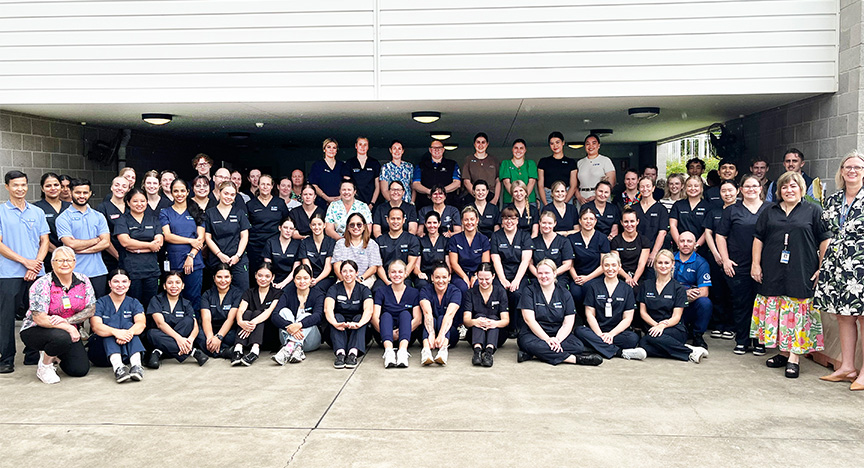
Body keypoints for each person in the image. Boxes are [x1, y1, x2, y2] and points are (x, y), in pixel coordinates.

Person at [752, 171, 830, 378]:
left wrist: (822, 267)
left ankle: (794, 357)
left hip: (802, 268)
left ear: (801, 189)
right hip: (773, 268)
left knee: (798, 312)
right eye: (785, 187)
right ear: (779, 191)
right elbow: (758, 238)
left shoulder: (813, 210)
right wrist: (755, 264)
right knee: (777, 310)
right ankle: (783, 352)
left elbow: (824, 240)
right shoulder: (770, 211)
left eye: (793, 186)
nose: (789, 190)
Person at [814, 151, 864, 390]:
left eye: (857, 167)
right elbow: (827, 231)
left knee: (863, 318)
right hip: (838, 266)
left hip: (861, 266)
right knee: (844, 316)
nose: (852, 171)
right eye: (848, 167)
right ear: (841, 171)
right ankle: (847, 367)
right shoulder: (833, 199)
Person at [19, 246, 93, 383]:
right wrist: (68, 327)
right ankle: (45, 365)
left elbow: (90, 309)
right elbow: (39, 318)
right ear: (52, 263)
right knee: (61, 337)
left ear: (74, 262)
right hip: (37, 329)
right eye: (60, 260)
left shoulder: (83, 280)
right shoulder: (42, 283)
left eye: (69, 260)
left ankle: (54, 354)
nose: (65, 264)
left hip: (65, 329)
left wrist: (67, 321)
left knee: (79, 369)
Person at [1, 171, 50, 372]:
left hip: (37, 272)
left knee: (36, 314)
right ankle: (6, 358)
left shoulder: (36, 212)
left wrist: (36, 264)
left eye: (23, 185)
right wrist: (25, 262)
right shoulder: (1, 211)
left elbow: (44, 240)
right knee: (6, 317)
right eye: (15, 185)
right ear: (7, 187)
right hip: (9, 273)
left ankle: (31, 354)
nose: (20, 188)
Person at [715, 175, 768, 354]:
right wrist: (725, 260)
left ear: (760, 188)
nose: (751, 189)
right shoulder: (732, 210)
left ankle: (760, 341)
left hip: (765, 265)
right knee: (741, 303)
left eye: (755, 186)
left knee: (761, 303)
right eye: (747, 186)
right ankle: (742, 340)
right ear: (741, 190)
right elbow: (720, 235)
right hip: (739, 264)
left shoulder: (771, 209)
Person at [516, 259, 602, 366]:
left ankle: (533, 354)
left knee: (577, 346)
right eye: (540, 273)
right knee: (529, 344)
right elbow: (529, 320)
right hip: (533, 334)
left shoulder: (565, 293)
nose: (543, 276)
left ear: (555, 273)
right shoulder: (529, 291)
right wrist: (547, 339)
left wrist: (557, 340)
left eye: (547, 273)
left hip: (557, 333)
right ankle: (575, 359)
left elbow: (568, 323)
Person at [636, 249, 709, 363]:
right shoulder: (646, 285)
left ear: (672, 264)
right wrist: (656, 325)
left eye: (666, 263)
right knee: (643, 344)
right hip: (652, 327)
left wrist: (662, 326)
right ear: (655, 265)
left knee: (649, 340)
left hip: (673, 329)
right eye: (660, 263)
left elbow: (677, 316)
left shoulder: (678, 288)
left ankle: (689, 352)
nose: (663, 266)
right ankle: (689, 350)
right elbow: (643, 312)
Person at [574, 253, 644, 360]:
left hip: (617, 332)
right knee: (579, 331)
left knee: (633, 338)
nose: (610, 269)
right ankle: (620, 352)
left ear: (619, 267)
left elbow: (628, 318)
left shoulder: (627, 289)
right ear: (602, 267)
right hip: (597, 330)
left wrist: (611, 334)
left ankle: (595, 347)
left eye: (613, 265)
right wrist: (600, 334)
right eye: (606, 265)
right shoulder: (593, 287)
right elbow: (590, 314)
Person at [89, 269, 147, 383]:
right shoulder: (100, 303)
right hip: (102, 353)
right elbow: (96, 326)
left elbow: (141, 324)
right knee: (109, 327)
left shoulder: (134, 303)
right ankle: (118, 368)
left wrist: (127, 333)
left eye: (124, 281)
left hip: (126, 352)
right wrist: (116, 332)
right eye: (116, 282)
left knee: (130, 326)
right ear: (109, 283)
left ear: (129, 283)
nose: (120, 285)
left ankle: (136, 366)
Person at [56, 178, 110, 297]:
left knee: (97, 310)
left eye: (85, 193)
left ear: (90, 193)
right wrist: (96, 240)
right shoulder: (63, 218)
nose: (82, 196)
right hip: (73, 272)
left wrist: (82, 250)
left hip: (98, 272)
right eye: (78, 192)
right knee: (76, 310)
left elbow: (106, 243)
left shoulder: (99, 216)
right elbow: (71, 244)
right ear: (70, 193)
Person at [144, 270, 209, 369]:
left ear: (183, 286)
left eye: (178, 283)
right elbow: (160, 323)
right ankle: (192, 352)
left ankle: (160, 351)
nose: (174, 286)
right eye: (170, 283)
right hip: (160, 336)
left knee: (189, 321)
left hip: (168, 340)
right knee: (152, 333)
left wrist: (190, 340)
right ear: (164, 286)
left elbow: (195, 325)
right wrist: (180, 340)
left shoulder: (186, 303)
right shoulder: (156, 300)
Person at [160, 179, 205, 310]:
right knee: (173, 296)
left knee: (193, 296)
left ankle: (193, 325)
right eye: (175, 191)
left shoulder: (196, 211)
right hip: (174, 260)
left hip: (194, 261)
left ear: (187, 192)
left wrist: (191, 256)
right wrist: (190, 240)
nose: (179, 194)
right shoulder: (165, 212)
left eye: (182, 191)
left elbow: (200, 238)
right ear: (171, 193)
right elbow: (167, 236)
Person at [703, 179, 739, 341]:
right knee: (717, 292)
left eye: (730, 190)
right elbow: (708, 233)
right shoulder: (714, 211)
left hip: (736, 259)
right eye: (724, 191)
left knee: (733, 293)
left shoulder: (742, 210)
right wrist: (717, 254)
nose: (727, 194)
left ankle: (731, 326)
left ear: (737, 191)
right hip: (715, 258)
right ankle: (718, 325)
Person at [114, 188, 162, 308]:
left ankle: (150, 326)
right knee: (133, 302)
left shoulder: (153, 219)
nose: (139, 204)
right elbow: (125, 242)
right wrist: (149, 246)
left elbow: (159, 242)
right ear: (128, 202)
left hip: (151, 270)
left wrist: (138, 248)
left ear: (147, 202)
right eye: (135, 201)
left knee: (151, 303)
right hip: (132, 270)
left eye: (143, 201)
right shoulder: (122, 220)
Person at [271, 265, 324, 365]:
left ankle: (288, 348)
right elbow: (275, 315)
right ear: (294, 280)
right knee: (284, 311)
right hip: (287, 335)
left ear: (311, 279)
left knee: (307, 315)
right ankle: (296, 348)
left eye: (305, 278)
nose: (302, 281)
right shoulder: (287, 293)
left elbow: (318, 316)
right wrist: (288, 327)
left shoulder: (318, 294)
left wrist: (299, 325)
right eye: (298, 278)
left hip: (310, 341)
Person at [325, 260, 374, 369]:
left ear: (356, 273)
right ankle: (340, 354)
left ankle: (353, 354)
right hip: (338, 329)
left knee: (359, 317)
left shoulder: (363, 289)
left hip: (358, 330)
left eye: (351, 271)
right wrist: (335, 323)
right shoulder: (334, 289)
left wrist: (359, 324)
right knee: (337, 316)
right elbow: (328, 309)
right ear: (341, 273)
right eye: (344, 271)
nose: (348, 274)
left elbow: (369, 310)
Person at [231, 264, 282, 366]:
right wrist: (240, 322)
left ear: (273, 277)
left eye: (267, 276)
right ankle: (238, 349)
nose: (263, 279)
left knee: (258, 313)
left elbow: (269, 312)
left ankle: (255, 351)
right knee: (247, 313)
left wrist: (252, 323)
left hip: (268, 335)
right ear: (255, 275)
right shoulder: (249, 292)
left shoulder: (277, 292)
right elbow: (241, 309)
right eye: (260, 275)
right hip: (249, 333)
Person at [373, 260, 421, 368]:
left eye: (400, 272)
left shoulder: (413, 292)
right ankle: (389, 353)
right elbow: (374, 317)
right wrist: (388, 333)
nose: (397, 275)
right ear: (389, 274)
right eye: (393, 272)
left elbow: (418, 319)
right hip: (384, 336)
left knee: (405, 314)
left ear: (405, 274)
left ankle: (402, 353)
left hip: (406, 337)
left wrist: (401, 332)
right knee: (385, 315)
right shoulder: (381, 291)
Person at [204, 181, 250, 291]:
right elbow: (207, 237)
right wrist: (219, 255)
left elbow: (244, 236)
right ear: (219, 193)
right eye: (226, 193)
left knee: (242, 290)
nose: (228, 197)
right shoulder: (210, 213)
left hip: (237, 259)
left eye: (232, 194)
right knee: (215, 292)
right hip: (216, 258)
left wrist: (238, 256)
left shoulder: (239, 213)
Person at [490, 206, 534, 322]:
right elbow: (496, 259)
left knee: (517, 293)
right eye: (506, 218)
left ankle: (515, 325)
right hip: (501, 272)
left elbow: (526, 260)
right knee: (499, 292)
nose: (509, 222)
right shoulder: (496, 236)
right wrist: (503, 279)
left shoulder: (524, 236)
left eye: (512, 218)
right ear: (502, 221)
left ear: (517, 220)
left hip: (519, 273)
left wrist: (517, 280)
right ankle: (500, 325)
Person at [463, 262, 510, 367]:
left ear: (493, 276)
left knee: (493, 317)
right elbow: (466, 320)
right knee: (478, 317)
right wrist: (476, 322)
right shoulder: (470, 293)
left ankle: (489, 352)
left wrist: (493, 323)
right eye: (481, 279)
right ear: (476, 276)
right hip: (475, 334)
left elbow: (506, 320)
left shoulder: (500, 292)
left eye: (487, 279)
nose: (484, 282)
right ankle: (477, 351)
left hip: (497, 334)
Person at [672, 231, 712, 349]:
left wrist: (684, 297)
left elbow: (704, 292)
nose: (685, 244)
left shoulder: (701, 263)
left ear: (695, 244)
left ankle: (698, 335)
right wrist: (683, 294)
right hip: (672, 303)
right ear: (677, 243)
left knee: (705, 303)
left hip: (690, 304)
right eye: (682, 241)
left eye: (689, 241)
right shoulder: (669, 260)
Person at [418, 263, 462, 366]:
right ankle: (426, 351)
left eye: (444, 277)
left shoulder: (455, 291)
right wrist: (432, 334)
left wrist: (441, 334)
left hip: (449, 333)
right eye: (437, 277)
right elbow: (427, 313)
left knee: (442, 317)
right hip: (428, 332)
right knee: (432, 318)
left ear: (449, 278)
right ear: (432, 278)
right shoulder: (425, 290)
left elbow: (449, 315)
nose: (441, 281)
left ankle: (443, 350)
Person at [568, 207, 610, 310]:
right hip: (577, 277)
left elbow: (604, 264)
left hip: (596, 276)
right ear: (580, 221)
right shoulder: (571, 238)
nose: (588, 222)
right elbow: (569, 264)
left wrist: (587, 278)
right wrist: (576, 278)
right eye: (585, 218)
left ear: (595, 221)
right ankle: (582, 318)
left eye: (591, 219)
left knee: (589, 289)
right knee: (575, 293)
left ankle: (591, 319)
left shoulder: (602, 238)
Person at [247, 174, 290, 271]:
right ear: (258, 186)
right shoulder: (250, 204)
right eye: (262, 184)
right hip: (255, 246)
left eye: (268, 184)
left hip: (275, 245)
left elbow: (286, 221)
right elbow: (246, 225)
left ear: (272, 186)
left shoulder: (279, 203)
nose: (265, 187)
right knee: (256, 274)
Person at [448, 206, 491, 298]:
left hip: (478, 274)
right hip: (459, 274)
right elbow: (453, 262)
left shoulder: (483, 239)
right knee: (462, 287)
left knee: (477, 286)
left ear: (477, 221)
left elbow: (485, 263)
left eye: (472, 219)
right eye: (466, 220)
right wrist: (464, 277)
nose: (469, 222)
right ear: (462, 221)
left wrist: (476, 276)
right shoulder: (455, 239)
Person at [199, 264, 241, 358]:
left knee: (237, 335)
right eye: (219, 277)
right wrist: (210, 337)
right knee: (199, 334)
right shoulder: (207, 294)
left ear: (231, 278)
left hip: (228, 330)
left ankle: (212, 350)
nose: (223, 280)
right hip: (211, 329)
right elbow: (206, 319)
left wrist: (219, 337)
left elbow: (231, 319)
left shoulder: (237, 294)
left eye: (226, 277)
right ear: (214, 278)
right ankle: (223, 351)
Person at [332, 213, 381, 289]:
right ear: (347, 227)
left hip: (365, 278)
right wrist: (345, 280)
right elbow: (337, 266)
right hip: (344, 278)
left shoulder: (372, 244)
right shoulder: (340, 244)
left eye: (359, 225)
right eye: (352, 225)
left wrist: (360, 279)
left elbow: (373, 268)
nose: (355, 227)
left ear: (364, 226)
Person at [374, 206, 420, 289]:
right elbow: (378, 265)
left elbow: (412, 263)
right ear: (387, 220)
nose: (395, 221)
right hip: (385, 278)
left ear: (403, 220)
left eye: (398, 219)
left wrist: (401, 278)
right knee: (377, 289)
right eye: (392, 218)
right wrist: (387, 282)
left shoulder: (412, 239)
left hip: (404, 278)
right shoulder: (379, 240)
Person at [33, 172, 70, 272]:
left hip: (70, 257)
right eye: (48, 186)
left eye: (56, 185)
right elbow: (38, 236)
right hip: (48, 256)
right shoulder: (35, 208)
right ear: (42, 188)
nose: (53, 188)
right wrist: (57, 252)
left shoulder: (70, 206)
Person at [412, 140, 462, 209]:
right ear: (430, 150)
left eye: (439, 148)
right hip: (425, 205)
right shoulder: (421, 165)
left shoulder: (452, 164)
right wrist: (430, 192)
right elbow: (415, 184)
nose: (437, 150)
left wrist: (441, 192)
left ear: (443, 150)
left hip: (449, 205)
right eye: (434, 148)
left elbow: (457, 183)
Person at [633, 176, 669, 268]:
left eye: (648, 186)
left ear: (653, 188)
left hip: (653, 253)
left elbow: (662, 232)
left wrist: (653, 253)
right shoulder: (633, 209)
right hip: (635, 252)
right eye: (642, 186)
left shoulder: (661, 209)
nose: (645, 189)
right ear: (638, 188)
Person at [529, 211, 574, 285]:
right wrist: (540, 276)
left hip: (558, 278)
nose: (546, 226)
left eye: (550, 223)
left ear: (555, 224)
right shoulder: (533, 242)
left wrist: (551, 275)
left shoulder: (564, 241)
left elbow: (567, 264)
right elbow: (530, 264)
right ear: (539, 223)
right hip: (537, 278)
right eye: (544, 223)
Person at [96, 176, 130, 272]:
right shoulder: (102, 208)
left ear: (128, 189)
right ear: (111, 187)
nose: (120, 188)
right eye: (117, 185)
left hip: (131, 257)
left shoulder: (131, 207)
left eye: (124, 186)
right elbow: (102, 235)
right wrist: (117, 256)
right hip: (110, 256)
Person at [611, 208, 651, 289]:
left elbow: (641, 264)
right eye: (626, 222)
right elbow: (616, 264)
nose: (629, 224)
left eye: (632, 221)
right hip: (620, 276)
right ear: (621, 223)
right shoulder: (616, 241)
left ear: (637, 222)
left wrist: (634, 280)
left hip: (639, 277)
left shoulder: (644, 240)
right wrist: (627, 277)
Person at [669, 175, 709, 252]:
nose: (693, 188)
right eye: (689, 186)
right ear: (685, 188)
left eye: (696, 186)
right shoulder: (678, 205)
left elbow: (707, 230)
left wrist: (696, 245)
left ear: (701, 188)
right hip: (679, 249)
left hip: (700, 250)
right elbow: (673, 226)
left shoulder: (708, 206)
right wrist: (680, 244)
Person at [537, 131, 578, 206]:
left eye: (557, 142)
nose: (555, 146)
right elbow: (540, 185)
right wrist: (546, 204)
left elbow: (573, 185)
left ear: (563, 143)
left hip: (566, 195)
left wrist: (565, 203)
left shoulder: (571, 162)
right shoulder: (543, 161)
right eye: (552, 143)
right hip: (548, 195)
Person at [300, 212, 336, 293]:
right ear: (310, 226)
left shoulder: (330, 242)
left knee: (316, 289)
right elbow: (306, 265)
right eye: (313, 225)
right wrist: (310, 278)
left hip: (327, 277)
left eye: (319, 224)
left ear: (324, 225)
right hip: (310, 276)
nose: (316, 227)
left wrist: (316, 280)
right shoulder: (304, 242)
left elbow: (328, 267)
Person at [413, 211, 450, 291]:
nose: (432, 225)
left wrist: (446, 276)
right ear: (425, 224)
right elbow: (416, 265)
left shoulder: (445, 241)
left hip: (441, 275)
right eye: (429, 223)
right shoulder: (420, 241)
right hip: (425, 275)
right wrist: (419, 273)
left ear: (439, 224)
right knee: (421, 284)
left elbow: (448, 264)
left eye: (434, 223)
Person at [576, 133, 616, 206]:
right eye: (588, 144)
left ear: (599, 145)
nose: (591, 146)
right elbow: (574, 184)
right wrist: (579, 197)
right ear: (585, 146)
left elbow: (611, 183)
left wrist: (597, 197)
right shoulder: (580, 163)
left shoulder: (605, 160)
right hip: (583, 198)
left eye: (594, 143)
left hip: (601, 197)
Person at [262, 217, 301, 289]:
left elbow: (295, 269)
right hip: (272, 278)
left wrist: (283, 284)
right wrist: (271, 281)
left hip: (290, 279)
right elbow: (267, 266)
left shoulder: (298, 244)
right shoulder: (270, 242)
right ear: (280, 228)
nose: (288, 231)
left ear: (294, 230)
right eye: (285, 227)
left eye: (291, 228)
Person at [341, 136, 381, 208]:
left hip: (371, 203)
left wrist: (372, 204)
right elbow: (346, 185)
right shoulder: (350, 163)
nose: (363, 147)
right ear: (356, 146)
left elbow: (377, 186)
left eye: (365, 145)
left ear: (368, 147)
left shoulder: (374, 163)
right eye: (360, 144)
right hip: (354, 203)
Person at [462, 132, 501, 205]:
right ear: (474, 144)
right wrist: (477, 195)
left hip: (490, 195)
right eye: (478, 142)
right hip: (472, 196)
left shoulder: (494, 160)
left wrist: (495, 199)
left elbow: (498, 181)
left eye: (483, 142)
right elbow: (466, 181)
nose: (480, 145)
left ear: (487, 144)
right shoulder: (468, 159)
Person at [308, 138, 344, 209]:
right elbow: (314, 184)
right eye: (328, 147)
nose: (331, 149)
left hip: (340, 202)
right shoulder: (317, 165)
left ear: (336, 151)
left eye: (334, 148)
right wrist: (326, 198)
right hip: (321, 203)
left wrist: (341, 197)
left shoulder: (342, 165)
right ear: (324, 149)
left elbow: (347, 183)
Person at [499, 139, 537, 205]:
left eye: (521, 148)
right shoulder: (506, 163)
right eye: (516, 148)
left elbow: (532, 182)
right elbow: (506, 183)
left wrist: (523, 198)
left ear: (525, 150)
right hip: (510, 201)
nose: (518, 151)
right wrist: (517, 197)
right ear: (512, 149)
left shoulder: (530, 164)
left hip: (529, 200)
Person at [379, 139, 415, 204]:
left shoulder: (409, 166)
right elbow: (384, 190)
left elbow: (413, 186)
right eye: (394, 148)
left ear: (402, 151)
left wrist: (412, 202)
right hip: (392, 204)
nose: (397, 151)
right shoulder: (386, 167)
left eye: (399, 149)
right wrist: (394, 204)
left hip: (407, 203)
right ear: (390, 150)